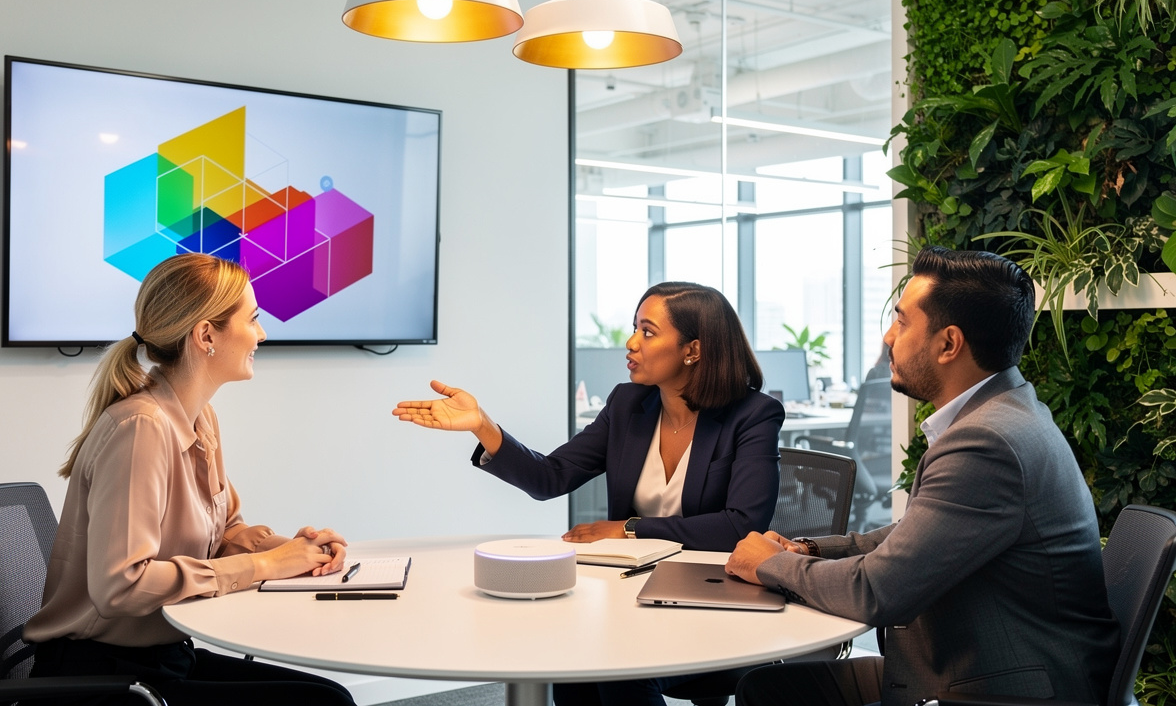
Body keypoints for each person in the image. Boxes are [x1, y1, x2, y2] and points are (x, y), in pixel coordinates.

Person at [725, 246, 1120, 706]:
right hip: (973, 666)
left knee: (772, 693)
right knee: (766, 689)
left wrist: (769, 564)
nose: (890, 337)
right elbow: (917, 535)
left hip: (997, 688)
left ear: (948, 344)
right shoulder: (1006, 413)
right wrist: (809, 549)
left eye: (902, 321)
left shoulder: (987, 442)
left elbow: (876, 592)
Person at [394, 281, 784, 706]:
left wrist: (630, 528)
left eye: (648, 332)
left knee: (618, 672)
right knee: (572, 664)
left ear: (692, 350)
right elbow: (551, 477)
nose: (631, 342)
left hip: (714, 601)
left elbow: (741, 526)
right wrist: (482, 426)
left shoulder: (753, 414)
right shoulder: (628, 405)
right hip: (634, 595)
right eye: (634, 327)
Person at [24, 253, 356, 706]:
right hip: (102, 678)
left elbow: (224, 533)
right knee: (322, 704)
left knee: (327, 694)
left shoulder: (200, 419)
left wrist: (292, 550)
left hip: (162, 657)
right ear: (206, 335)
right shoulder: (141, 428)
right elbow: (121, 586)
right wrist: (264, 567)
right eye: (253, 319)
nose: (261, 333)